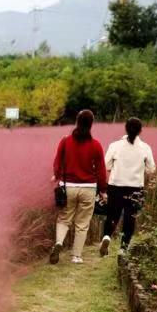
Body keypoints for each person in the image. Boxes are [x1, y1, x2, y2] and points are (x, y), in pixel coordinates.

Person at [50, 110, 108, 265]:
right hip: (88, 188)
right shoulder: (96, 145)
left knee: (63, 219)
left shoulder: (65, 141)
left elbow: (57, 162)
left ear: (77, 121)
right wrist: (103, 190)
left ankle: (59, 243)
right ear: (91, 124)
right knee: (82, 224)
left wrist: (57, 175)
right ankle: (76, 256)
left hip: (68, 186)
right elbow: (101, 170)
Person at [99, 117, 156, 258]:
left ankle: (106, 237)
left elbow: (105, 166)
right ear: (140, 131)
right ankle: (123, 249)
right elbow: (151, 169)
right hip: (135, 189)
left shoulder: (115, 145)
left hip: (115, 186)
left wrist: (115, 168)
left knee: (112, 216)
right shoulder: (145, 147)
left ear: (125, 128)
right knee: (130, 218)